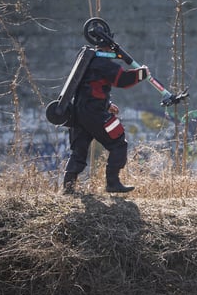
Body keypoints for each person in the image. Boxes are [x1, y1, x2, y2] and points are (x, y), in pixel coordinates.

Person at [61, 39, 149, 194]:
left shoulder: (86, 61)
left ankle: (68, 188)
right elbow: (122, 80)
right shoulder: (103, 64)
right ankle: (112, 183)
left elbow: (89, 89)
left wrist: (107, 104)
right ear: (109, 48)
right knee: (118, 143)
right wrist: (141, 73)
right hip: (95, 114)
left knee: (78, 151)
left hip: (78, 113)